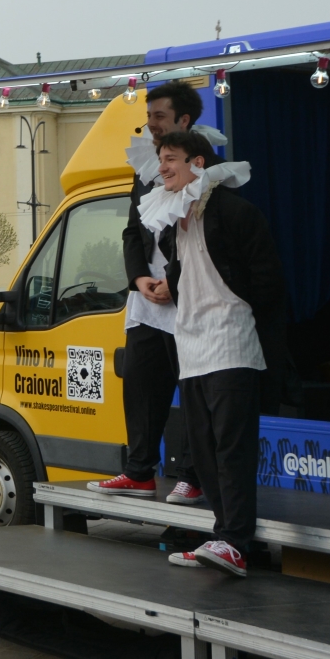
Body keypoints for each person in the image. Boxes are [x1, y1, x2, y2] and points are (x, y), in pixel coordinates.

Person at [138, 131, 291, 579]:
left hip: (231, 341)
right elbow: (186, 275)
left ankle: (238, 541)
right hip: (192, 343)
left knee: (232, 445)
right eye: (160, 159)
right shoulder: (172, 222)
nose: (162, 167)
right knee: (203, 449)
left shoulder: (235, 212)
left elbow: (268, 282)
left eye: (171, 159)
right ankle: (222, 536)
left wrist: (243, 315)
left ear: (197, 162)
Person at [95, 80, 211, 506]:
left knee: (195, 392)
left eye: (159, 117)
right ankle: (139, 471)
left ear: (183, 119)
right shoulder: (147, 166)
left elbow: (200, 237)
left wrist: (173, 282)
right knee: (141, 385)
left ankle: (194, 476)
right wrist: (139, 279)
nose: (151, 125)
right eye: (148, 117)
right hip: (148, 299)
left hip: (189, 298)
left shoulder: (204, 168)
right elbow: (132, 232)